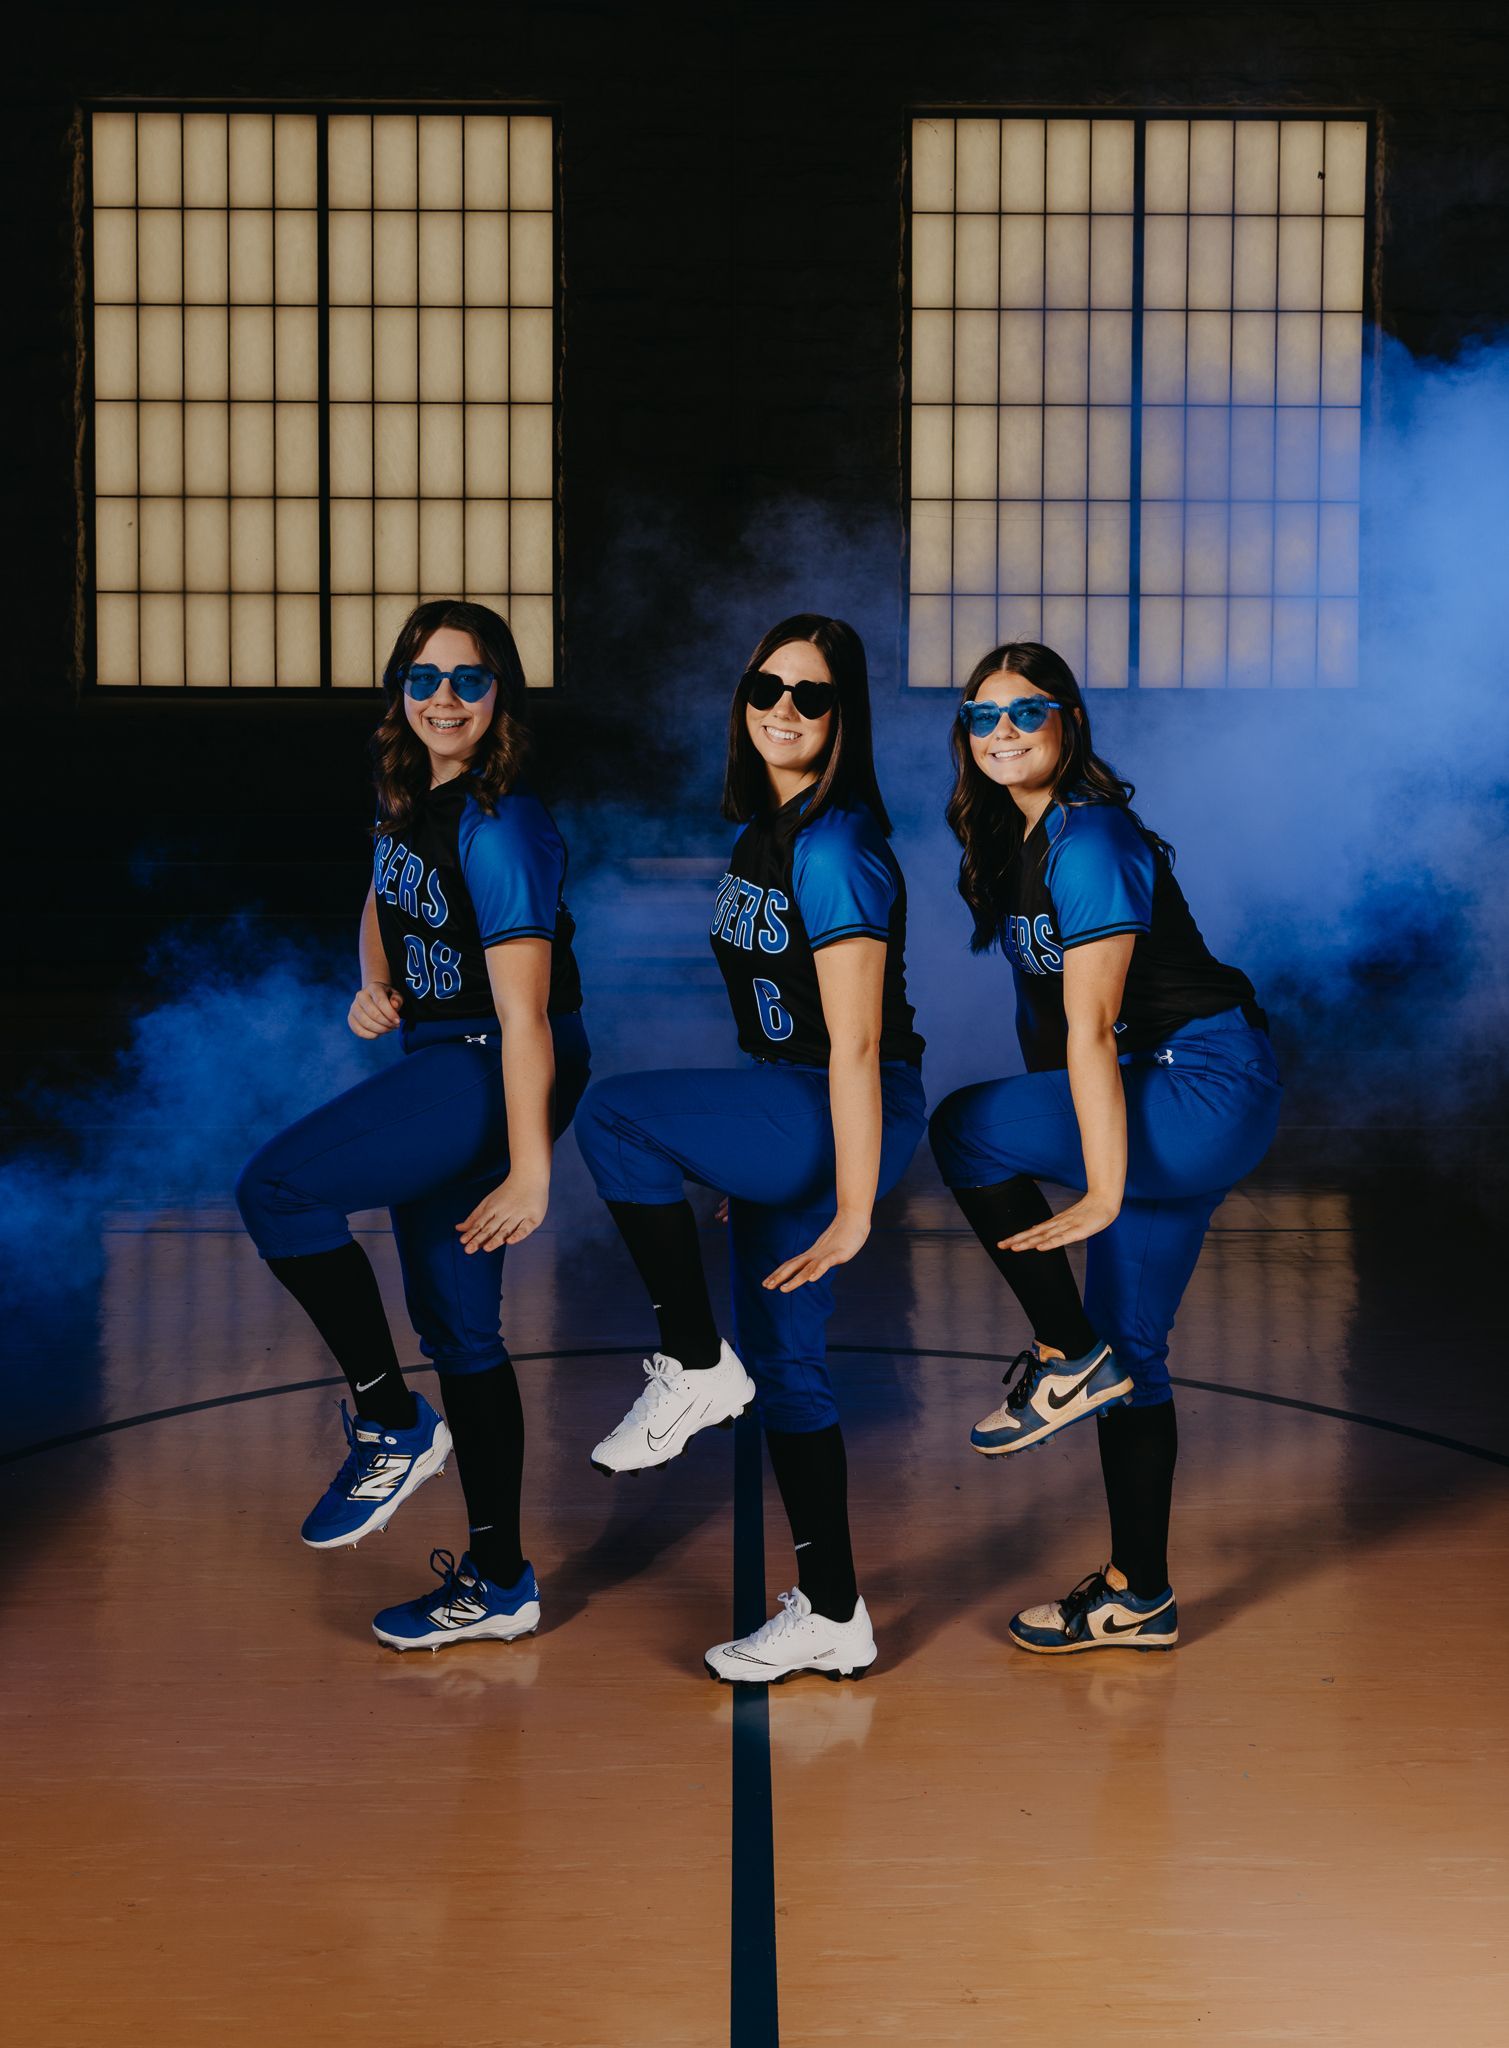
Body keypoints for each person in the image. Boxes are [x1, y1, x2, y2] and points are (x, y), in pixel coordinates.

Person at [572, 614, 927, 1683]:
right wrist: (746, 1151)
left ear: (844, 714)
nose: (783, 707)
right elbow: (773, 1019)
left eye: (811, 695)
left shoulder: (837, 847)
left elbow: (859, 1044)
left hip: (846, 1103)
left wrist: (853, 1204)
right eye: (767, 686)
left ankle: (689, 1359)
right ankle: (832, 1612)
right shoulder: (760, 835)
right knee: (789, 1366)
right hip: (793, 1107)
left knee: (612, 1114)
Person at [235, 600, 588, 1653]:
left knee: (280, 1189)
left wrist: (531, 1171)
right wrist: (373, 979)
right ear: (400, 689)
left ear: (500, 696)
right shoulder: (408, 791)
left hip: (493, 1059)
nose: (444, 698)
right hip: (443, 1052)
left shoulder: (502, 820)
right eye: (425, 678)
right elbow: (384, 891)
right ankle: (499, 1578)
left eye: (469, 680)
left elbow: (527, 1013)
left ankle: (390, 1416)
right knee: (461, 1327)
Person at [928, 641, 1281, 1653]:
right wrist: (1077, 1142)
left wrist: (1098, 1185)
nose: (1003, 731)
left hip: (1203, 1081)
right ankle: (1139, 1592)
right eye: (982, 715)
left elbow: (1093, 1028)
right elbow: (1048, 1028)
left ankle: (1062, 1352)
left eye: (1026, 711)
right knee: (1139, 1354)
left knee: (964, 1127)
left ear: (1069, 722)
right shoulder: (1017, 843)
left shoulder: (1092, 838)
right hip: (1163, 1085)